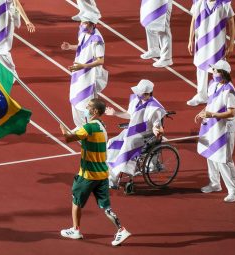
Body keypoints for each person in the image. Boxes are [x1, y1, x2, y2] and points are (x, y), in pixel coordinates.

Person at [59, 98, 131, 246]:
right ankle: (121, 229)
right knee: (106, 207)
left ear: (96, 111)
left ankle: (75, 229)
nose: (86, 107)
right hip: (102, 174)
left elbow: (68, 138)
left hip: (88, 174)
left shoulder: (90, 127)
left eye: (89, 106)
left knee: (76, 200)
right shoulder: (101, 125)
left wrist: (62, 128)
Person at [195, 59, 235, 202]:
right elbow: (211, 102)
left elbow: (231, 113)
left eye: (215, 70)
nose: (212, 72)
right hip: (210, 125)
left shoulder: (229, 91)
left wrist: (212, 115)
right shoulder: (212, 84)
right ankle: (215, 183)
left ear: (223, 73)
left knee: (224, 160)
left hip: (223, 128)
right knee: (210, 154)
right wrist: (203, 111)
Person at [105, 80, 166, 187]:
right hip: (131, 130)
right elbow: (129, 115)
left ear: (147, 94)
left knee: (127, 145)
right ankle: (109, 169)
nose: (137, 94)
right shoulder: (136, 100)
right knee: (112, 141)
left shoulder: (154, 108)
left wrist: (157, 129)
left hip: (144, 135)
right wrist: (115, 113)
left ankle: (113, 178)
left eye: (140, 93)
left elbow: (157, 125)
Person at [61, 13, 108, 128]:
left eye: (85, 23)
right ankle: (80, 126)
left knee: (87, 104)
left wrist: (83, 66)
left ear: (93, 24)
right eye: (82, 22)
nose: (82, 25)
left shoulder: (97, 39)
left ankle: (92, 128)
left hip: (90, 76)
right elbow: (82, 46)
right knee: (75, 99)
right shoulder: (82, 32)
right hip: (79, 72)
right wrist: (70, 47)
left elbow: (101, 60)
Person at [187, 0, 235, 106]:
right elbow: (194, 20)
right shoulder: (199, 2)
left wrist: (231, 43)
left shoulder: (224, 4)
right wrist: (191, 40)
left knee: (220, 70)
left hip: (217, 44)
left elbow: (231, 22)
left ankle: (222, 96)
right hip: (201, 42)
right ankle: (201, 96)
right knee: (200, 69)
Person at [0, 0, 36, 73]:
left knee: (1, 48)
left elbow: (16, 3)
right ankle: (3, 73)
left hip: (5, 22)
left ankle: (12, 75)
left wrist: (27, 21)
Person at [140, 0, 173, 68]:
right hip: (151, 2)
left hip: (163, 3)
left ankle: (166, 58)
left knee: (163, 28)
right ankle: (154, 49)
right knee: (148, 22)